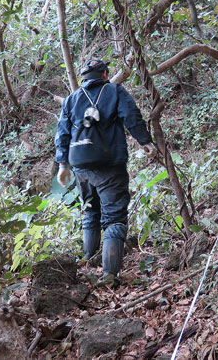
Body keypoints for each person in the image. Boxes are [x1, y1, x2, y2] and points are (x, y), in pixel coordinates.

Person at [54, 58, 157, 287]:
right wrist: (145, 142)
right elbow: (132, 117)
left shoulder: (71, 100)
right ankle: (109, 276)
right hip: (109, 166)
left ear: (83, 78)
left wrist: (63, 165)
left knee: (90, 211)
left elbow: (62, 134)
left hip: (80, 166)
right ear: (104, 75)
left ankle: (88, 260)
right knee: (115, 219)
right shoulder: (114, 91)